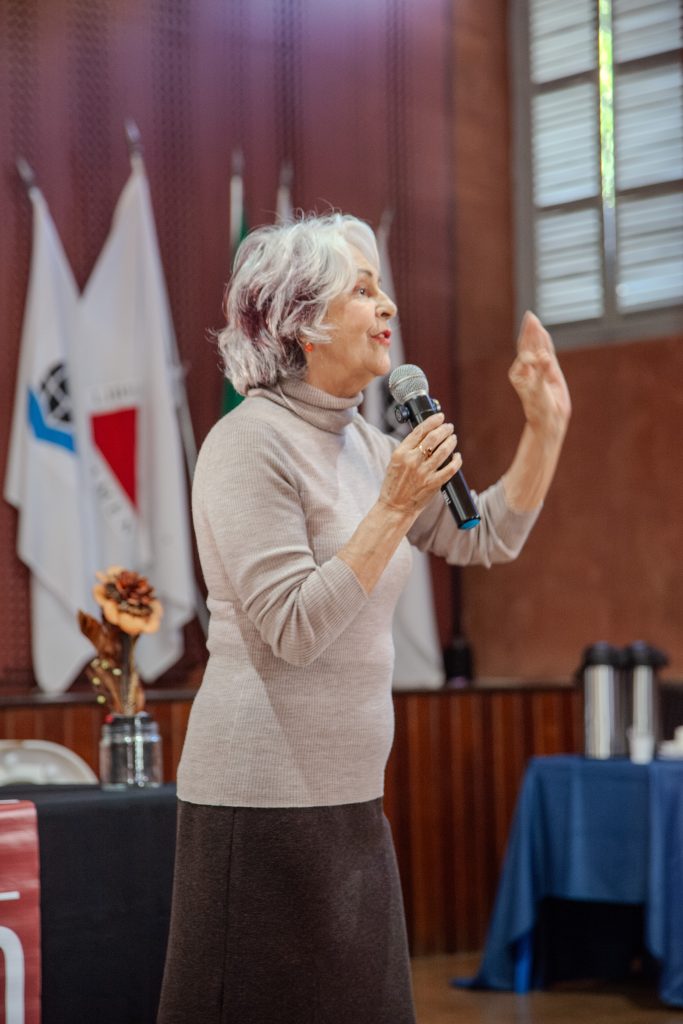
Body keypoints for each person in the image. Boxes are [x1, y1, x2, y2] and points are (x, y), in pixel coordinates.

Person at [157, 213, 571, 1024]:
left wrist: (545, 428)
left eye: (381, 287)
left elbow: (484, 536)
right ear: (302, 321)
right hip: (258, 806)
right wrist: (391, 509)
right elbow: (292, 628)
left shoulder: (374, 450)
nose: (388, 306)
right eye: (362, 289)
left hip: (350, 803)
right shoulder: (247, 445)